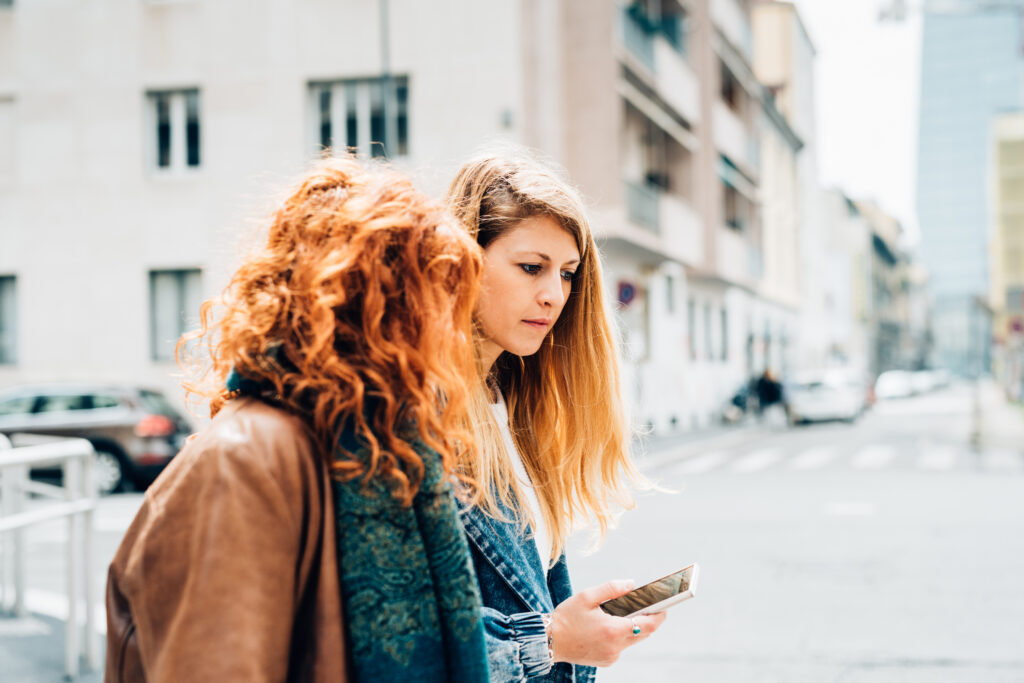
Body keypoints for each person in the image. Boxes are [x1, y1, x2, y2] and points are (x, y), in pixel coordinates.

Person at [105, 159, 491, 682]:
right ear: (372, 309)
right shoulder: (243, 462)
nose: (453, 331)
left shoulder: (374, 454)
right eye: (437, 298)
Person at [445, 150, 667, 683]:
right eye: (530, 267)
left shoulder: (508, 404)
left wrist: (572, 632)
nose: (553, 296)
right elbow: (391, 637)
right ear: (462, 260)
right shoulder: (422, 417)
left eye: (567, 274)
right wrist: (551, 641)